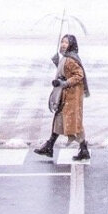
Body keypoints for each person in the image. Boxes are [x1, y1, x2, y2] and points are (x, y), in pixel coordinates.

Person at [34, 33, 90, 161]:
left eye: (66, 42)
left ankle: (53, 146)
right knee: (63, 120)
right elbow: (66, 71)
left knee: (73, 122)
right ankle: (51, 145)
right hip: (67, 95)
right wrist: (57, 63)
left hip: (71, 96)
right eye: (62, 42)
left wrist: (63, 83)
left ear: (71, 44)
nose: (63, 44)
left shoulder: (71, 59)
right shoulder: (66, 58)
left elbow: (78, 75)